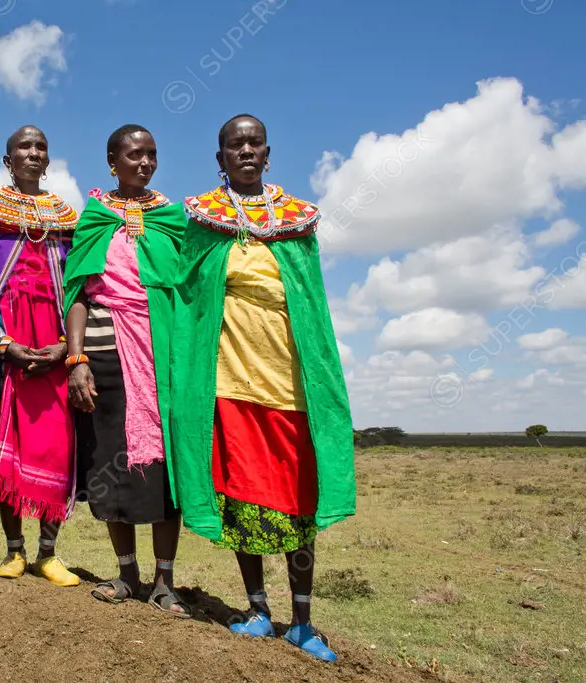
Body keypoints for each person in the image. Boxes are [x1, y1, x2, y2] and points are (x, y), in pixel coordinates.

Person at [168, 114, 356, 661]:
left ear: (268, 154)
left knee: (299, 506)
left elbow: (312, 307)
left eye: (254, 144)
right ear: (220, 157)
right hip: (228, 383)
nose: (245, 150)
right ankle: (256, 609)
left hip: (291, 389)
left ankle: (302, 620)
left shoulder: (298, 224)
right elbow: (178, 283)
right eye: (234, 144)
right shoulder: (200, 220)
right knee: (242, 502)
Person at [62, 124, 190, 617]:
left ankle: (164, 580)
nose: (145, 162)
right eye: (134, 154)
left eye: (152, 154)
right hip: (104, 351)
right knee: (110, 459)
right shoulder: (93, 216)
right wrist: (76, 360)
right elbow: (76, 292)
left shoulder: (171, 218)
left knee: (164, 468)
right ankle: (126, 572)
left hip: (162, 353)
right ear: (112, 161)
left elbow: (187, 289)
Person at [0, 125, 81, 587]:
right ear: (8, 160)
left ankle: (48, 553)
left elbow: (79, 284)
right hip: (7, 341)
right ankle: (14, 551)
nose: (34, 152)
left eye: (41, 146)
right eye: (24, 146)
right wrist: (5, 346)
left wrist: (68, 345)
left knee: (56, 445)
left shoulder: (66, 217)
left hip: (56, 340)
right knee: (10, 447)